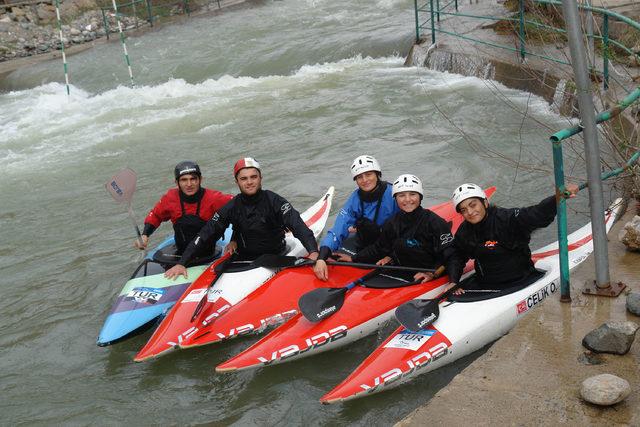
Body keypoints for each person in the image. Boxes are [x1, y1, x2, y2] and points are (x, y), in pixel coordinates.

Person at [164, 157, 319, 279]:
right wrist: (182, 263)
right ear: (237, 181)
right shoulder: (232, 206)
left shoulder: (275, 201)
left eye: (253, 177)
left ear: (260, 178)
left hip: (277, 256)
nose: (249, 182)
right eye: (244, 178)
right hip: (244, 259)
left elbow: (297, 225)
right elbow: (206, 233)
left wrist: (313, 252)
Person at [449, 182, 579, 294]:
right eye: (464, 210)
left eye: (473, 205)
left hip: (522, 281)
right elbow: (457, 255)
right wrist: (453, 281)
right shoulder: (464, 231)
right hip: (486, 285)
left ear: (485, 203)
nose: (470, 212)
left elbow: (536, 214)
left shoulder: (507, 218)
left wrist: (557, 198)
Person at [334, 174, 460, 284]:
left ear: (420, 196)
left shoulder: (434, 222)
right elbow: (380, 247)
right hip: (406, 267)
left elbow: (452, 255)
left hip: (433, 271)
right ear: (395, 198)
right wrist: (354, 258)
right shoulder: (393, 222)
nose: (407, 200)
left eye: (412, 194)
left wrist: (440, 276)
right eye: (401, 195)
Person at [313, 155, 399, 281]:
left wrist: (392, 255)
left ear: (377, 174)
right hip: (367, 247)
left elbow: (408, 227)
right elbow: (338, 229)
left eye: (369, 174)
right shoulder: (355, 199)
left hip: (391, 246)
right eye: (359, 177)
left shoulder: (394, 195)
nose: (365, 180)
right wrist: (322, 257)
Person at [134, 161, 233, 259]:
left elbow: (239, 206)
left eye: (193, 179)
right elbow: (156, 215)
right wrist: (145, 235)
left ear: (200, 180)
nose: (189, 184)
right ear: (177, 182)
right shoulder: (170, 198)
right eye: (184, 180)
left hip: (208, 254)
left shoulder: (214, 198)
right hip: (180, 252)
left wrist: (234, 239)